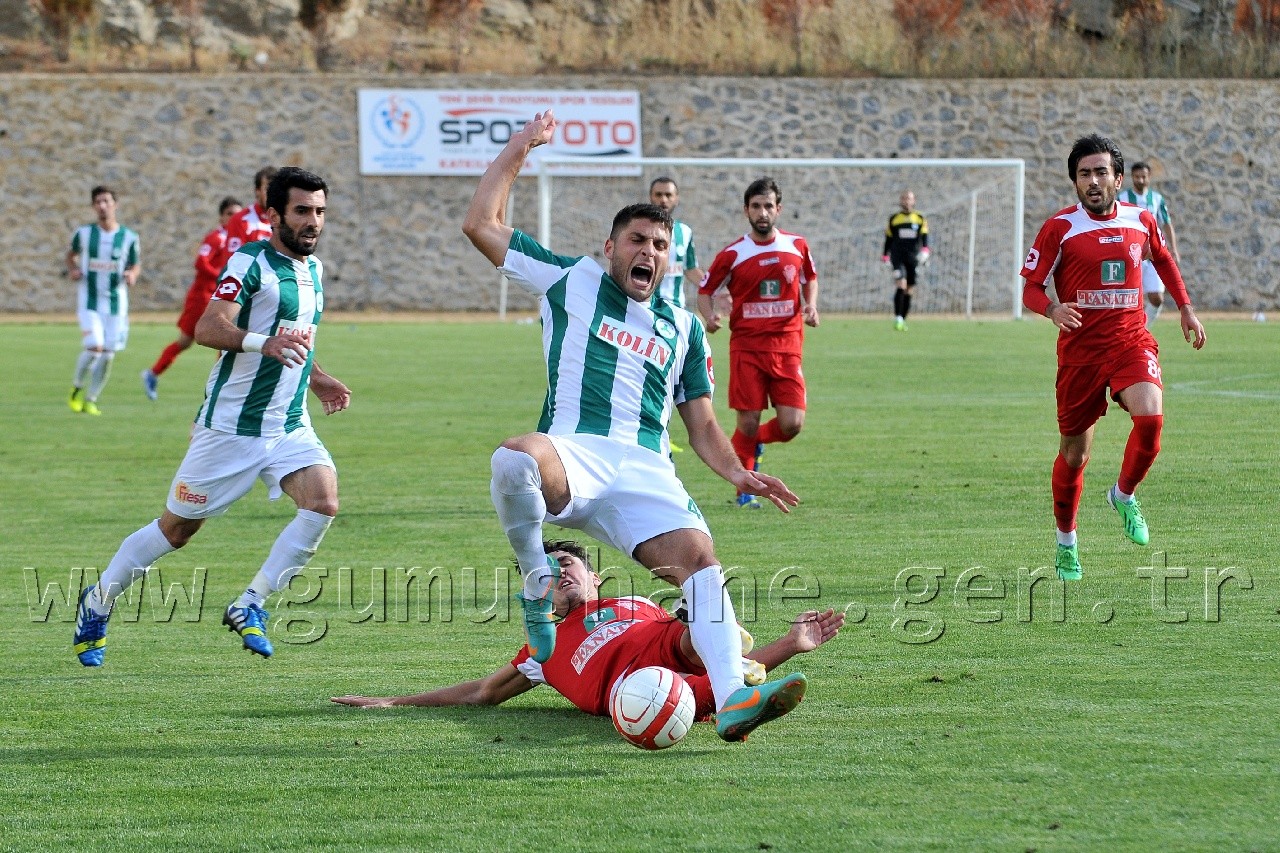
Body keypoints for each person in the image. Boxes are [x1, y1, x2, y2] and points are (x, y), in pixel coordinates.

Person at [462, 111, 806, 743]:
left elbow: (701, 423)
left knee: (701, 562)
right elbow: (480, 224)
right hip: (574, 453)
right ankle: (537, 582)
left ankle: (734, 698)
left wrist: (738, 473)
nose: (648, 251)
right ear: (610, 248)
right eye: (636, 240)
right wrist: (522, 145)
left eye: (658, 245)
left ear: (668, 260)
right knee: (513, 459)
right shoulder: (571, 280)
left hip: (646, 468)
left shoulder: (685, 328)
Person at [73, 167, 351, 666]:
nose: (313, 221)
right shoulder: (250, 262)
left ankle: (250, 603)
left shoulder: (314, 271)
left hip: (289, 424)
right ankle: (97, 602)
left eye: (320, 211)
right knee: (176, 532)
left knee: (322, 503)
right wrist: (261, 342)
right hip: (230, 427)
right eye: (302, 211)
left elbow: (295, 338)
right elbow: (208, 327)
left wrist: (317, 377)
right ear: (273, 215)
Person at [332, 540, 842, 724]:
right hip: (633, 691)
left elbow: (686, 643)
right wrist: (394, 701)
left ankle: (720, 644)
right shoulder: (541, 651)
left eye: (568, 563)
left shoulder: (635, 603)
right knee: (685, 690)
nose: (559, 573)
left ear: (595, 576)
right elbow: (482, 693)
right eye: (546, 573)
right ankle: (748, 672)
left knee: (690, 639)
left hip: (668, 644)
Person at [1021, 135, 1205, 582]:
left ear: (1118, 179)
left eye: (1101, 172)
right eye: (1084, 173)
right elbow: (1030, 288)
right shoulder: (1059, 228)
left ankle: (1123, 495)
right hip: (1080, 355)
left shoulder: (1141, 220)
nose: (1093, 181)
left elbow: (1164, 261)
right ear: (1075, 182)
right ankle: (1067, 543)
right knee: (1074, 454)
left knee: (1151, 420)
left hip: (1130, 343)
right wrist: (1052, 309)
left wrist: (1185, 307)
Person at [697, 177, 819, 509]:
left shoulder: (797, 246)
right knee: (747, 420)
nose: (762, 212)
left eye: (768, 206)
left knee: (792, 424)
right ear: (746, 210)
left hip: (787, 346)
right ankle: (745, 491)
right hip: (747, 348)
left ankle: (753, 443)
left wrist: (811, 305)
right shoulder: (733, 253)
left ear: (778, 209)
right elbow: (705, 291)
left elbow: (810, 278)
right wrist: (709, 317)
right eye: (756, 206)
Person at [140, 196, 243, 400]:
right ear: (221, 217)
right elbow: (201, 262)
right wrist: (223, 276)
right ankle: (153, 373)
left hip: (222, 298)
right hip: (202, 297)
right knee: (186, 341)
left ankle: (221, 386)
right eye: (229, 214)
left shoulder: (237, 240)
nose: (234, 218)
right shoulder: (217, 238)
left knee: (226, 339)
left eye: (237, 215)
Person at [67, 185, 141, 416]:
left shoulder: (128, 237)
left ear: (115, 205)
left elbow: (135, 264)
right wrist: (73, 269)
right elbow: (71, 255)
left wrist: (132, 274)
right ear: (93, 206)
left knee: (108, 354)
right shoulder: (84, 234)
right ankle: (76, 388)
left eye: (106, 201)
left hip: (116, 304)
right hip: (89, 302)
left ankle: (91, 399)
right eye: (98, 202)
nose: (102, 206)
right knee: (94, 348)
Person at [1118, 162, 1180, 327]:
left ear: (1149, 177)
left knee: (1157, 298)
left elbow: (1166, 223)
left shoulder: (1157, 199)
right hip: (1130, 254)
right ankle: (1129, 330)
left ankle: (1143, 329)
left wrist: (1174, 249)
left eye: (1143, 177)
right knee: (1129, 298)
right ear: (1132, 177)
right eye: (1137, 177)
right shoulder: (1122, 199)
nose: (1140, 180)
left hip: (1152, 253)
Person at [648, 177, 702, 310]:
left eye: (668, 195)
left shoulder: (684, 231)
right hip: (646, 307)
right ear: (650, 197)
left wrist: (714, 290)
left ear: (676, 199)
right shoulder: (640, 230)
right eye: (658, 194)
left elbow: (691, 269)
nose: (663, 199)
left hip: (676, 308)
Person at [882, 189, 929, 332]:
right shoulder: (894, 219)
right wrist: (885, 255)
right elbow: (888, 239)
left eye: (909, 199)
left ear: (913, 201)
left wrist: (925, 251)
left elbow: (925, 237)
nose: (906, 201)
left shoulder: (919, 218)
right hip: (897, 257)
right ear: (901, 201)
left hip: (913, 258)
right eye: (904, 198)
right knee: (901, 284)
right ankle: (898, 318)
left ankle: (903, 318)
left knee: (909, 289)